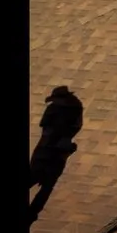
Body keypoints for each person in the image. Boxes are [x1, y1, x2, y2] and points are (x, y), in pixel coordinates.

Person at [29, 86, 83, 225]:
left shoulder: (55, 109)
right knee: (46, 185)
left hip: (46, 152)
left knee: (36, 179)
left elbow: (46, 128)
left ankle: (32, 211)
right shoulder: (75, 109)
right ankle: (32, 211)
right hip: (58, 153)